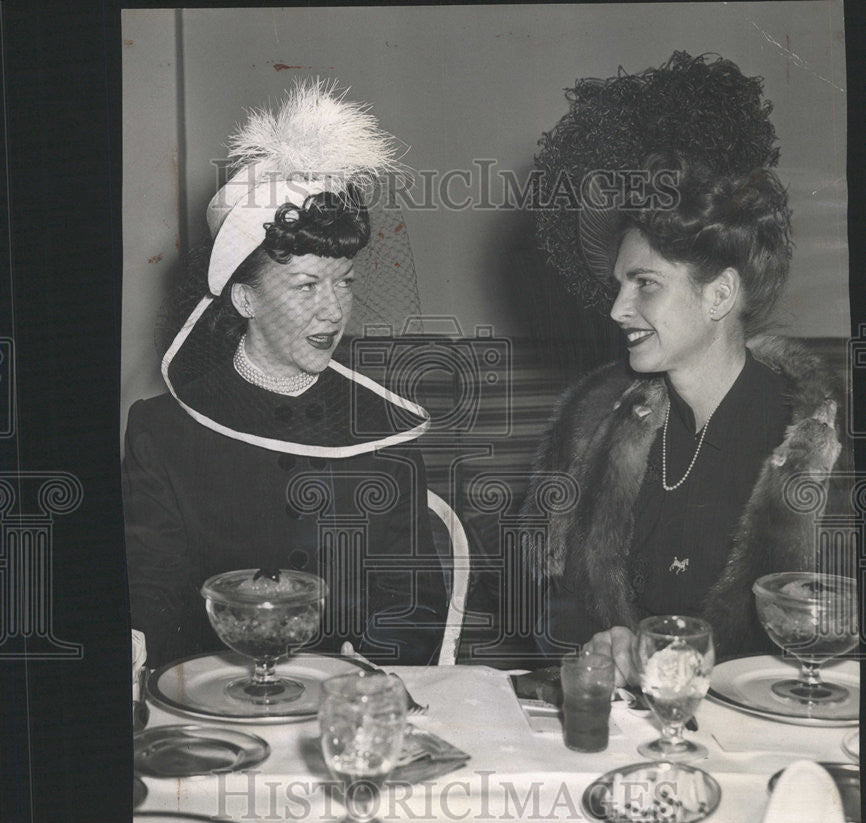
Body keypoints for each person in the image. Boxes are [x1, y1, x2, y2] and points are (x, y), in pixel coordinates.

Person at [123, 81, 446, 670]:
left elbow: (414, 605)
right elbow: (152, 590)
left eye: (343, 281)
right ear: (244, 299)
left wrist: (364, 664)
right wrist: (139, 641)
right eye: (304, 286)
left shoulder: (380, 430)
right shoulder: (161, 433)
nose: (333, 310)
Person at [522, 149, 846, 678]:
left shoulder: (816, 450)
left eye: (645, 283)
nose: (617, 308)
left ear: (718, 295)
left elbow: (833, 642)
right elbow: (551, 602)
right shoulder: (594, 418)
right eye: (619, 284)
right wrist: (598, 647)